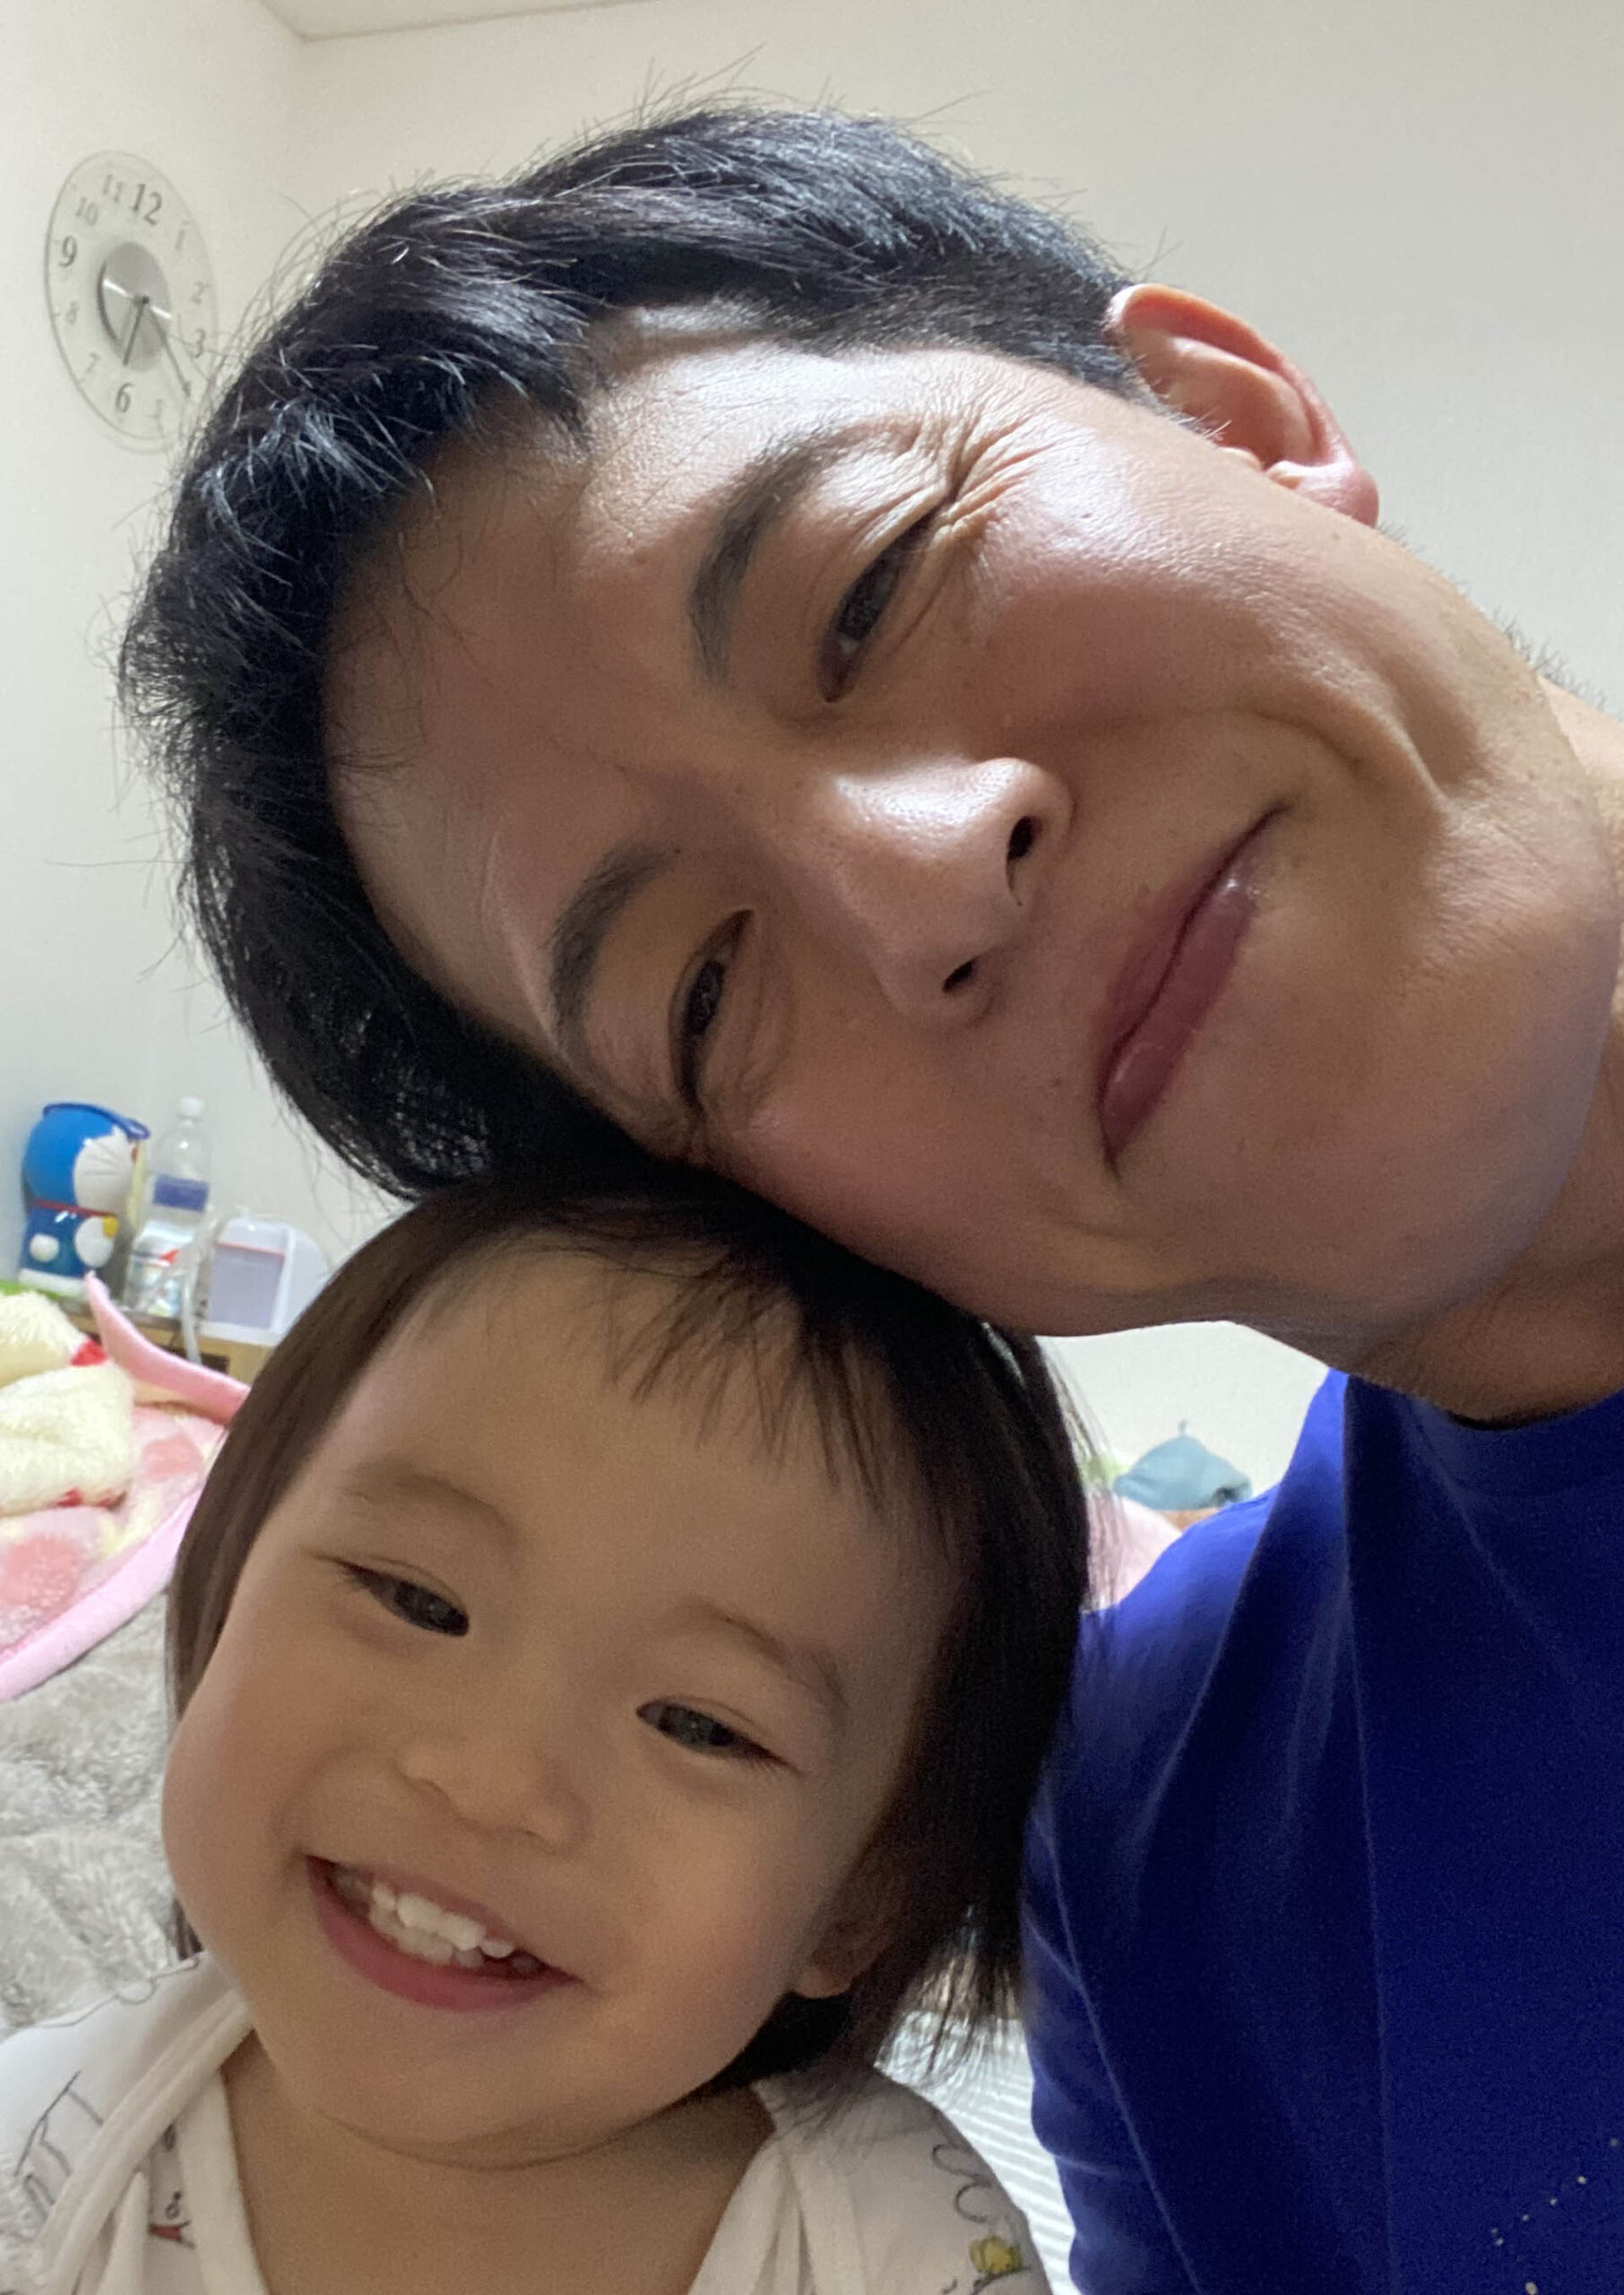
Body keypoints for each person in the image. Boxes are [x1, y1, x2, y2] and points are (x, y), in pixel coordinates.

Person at [119, 107, 1624, 2293]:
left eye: (869, 589)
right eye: (706, 988)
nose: (919, 879)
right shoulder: (1165, 1848)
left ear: (1230, 410)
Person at [0, 1170, 1086, 2295]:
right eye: (417, 1600)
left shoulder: (898, 2254)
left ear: (861, 1899)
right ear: (225, 1583)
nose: (492, 1779)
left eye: (697, 1725)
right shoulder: (40, 2157)